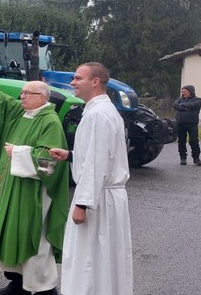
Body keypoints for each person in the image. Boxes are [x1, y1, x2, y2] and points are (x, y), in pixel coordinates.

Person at [0, 61, 69, 295]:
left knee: (34, 239)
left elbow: (50, 162)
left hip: (33, 194)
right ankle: (17, 283)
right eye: (21, 93)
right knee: (10, 234)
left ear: (42, 97)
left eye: (26, 93)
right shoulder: (22, 113)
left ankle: (44, 288)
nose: (21, 97)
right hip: (11, 191)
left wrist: (19, 153)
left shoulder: (50, 122)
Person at [48, 62, 132, 295]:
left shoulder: (98, 115)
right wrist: (71, 156)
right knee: (101, 259)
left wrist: (83, 204)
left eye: (78, 78)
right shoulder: (102, 111)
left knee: (89, 260)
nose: (72, 82)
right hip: (102, 194)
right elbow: (100, 155)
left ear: (95, 81)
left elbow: (97, 164)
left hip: (97, 199)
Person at [174, 85, 201, 166]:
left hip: (192, 123)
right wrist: (184, 107)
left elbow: (194, 105)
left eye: (184, 91)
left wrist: (182, 105)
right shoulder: (180, 99)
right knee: (181, 141)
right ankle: (183, 158)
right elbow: (175, 105)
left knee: (194, 141)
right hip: (181, 123)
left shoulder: (198, 100)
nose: (183, 93)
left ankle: (196, 158)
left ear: (190, 91)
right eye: (182, 92)